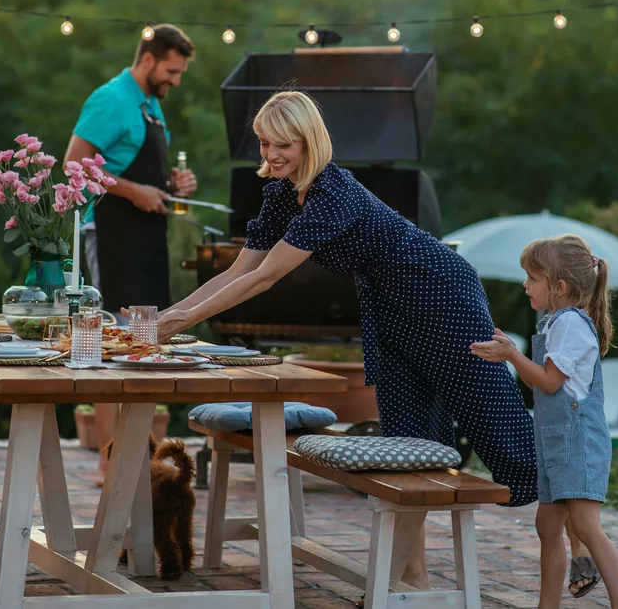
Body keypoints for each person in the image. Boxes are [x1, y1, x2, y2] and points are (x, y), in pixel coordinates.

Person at [156, 90, 539, 506]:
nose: (271, 153)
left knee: (504, 434)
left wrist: (180, 323)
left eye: (283, 143)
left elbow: (263, 278)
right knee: (408, 445)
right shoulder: (284, 194)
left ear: (309, 140)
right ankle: (413, 573)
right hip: (388, 307)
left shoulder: (333, 194)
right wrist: (165, 316)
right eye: (265, 142)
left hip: (440, 294)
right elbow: (237, 271)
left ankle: (576, 537)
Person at [470, 235, 618, 609]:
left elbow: (549, 381)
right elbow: (538, 382)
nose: (525, 286)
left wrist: (512, 355)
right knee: (547, 527)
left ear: (558, 287)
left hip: (578, 444)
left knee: (588, 527)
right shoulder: (555, 323)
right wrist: (508, 357)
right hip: (555, 443)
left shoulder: (571, 325)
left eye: (531, 278)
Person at [63, 24, 198, 315]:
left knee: (149, 327)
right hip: (113, 232)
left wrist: (172, 184)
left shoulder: (150, 103)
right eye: (172, 72)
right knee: (116, 323)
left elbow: (137, 164)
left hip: (148, 234)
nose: (175, 82)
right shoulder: (110, 98)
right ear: (149, 60)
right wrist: (136, 192)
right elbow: (74, 164)